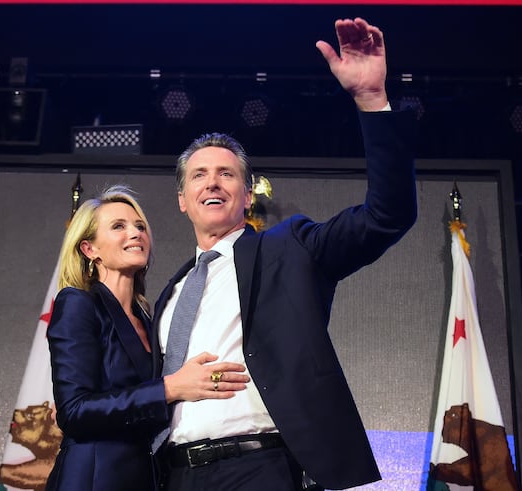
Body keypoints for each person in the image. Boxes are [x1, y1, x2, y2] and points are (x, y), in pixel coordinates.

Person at [151, 18, 418, 491]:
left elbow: (387, 215)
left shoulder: (291, 247)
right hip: (172, 476)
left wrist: (371, 100)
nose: (212, 181)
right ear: (182, 199)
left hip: (260, 468)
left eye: (226, 174)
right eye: (199, 175)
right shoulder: (170, 294)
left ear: (248, 195)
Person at [45, 185, 250, 491]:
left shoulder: (151, 319)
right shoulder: (78, 303)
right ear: (90, 249)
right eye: (118, 226)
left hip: (144, 478)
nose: (136, 233)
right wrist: (170, 387)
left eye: (140, 226)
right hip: (94, 478)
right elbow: (74, 412)